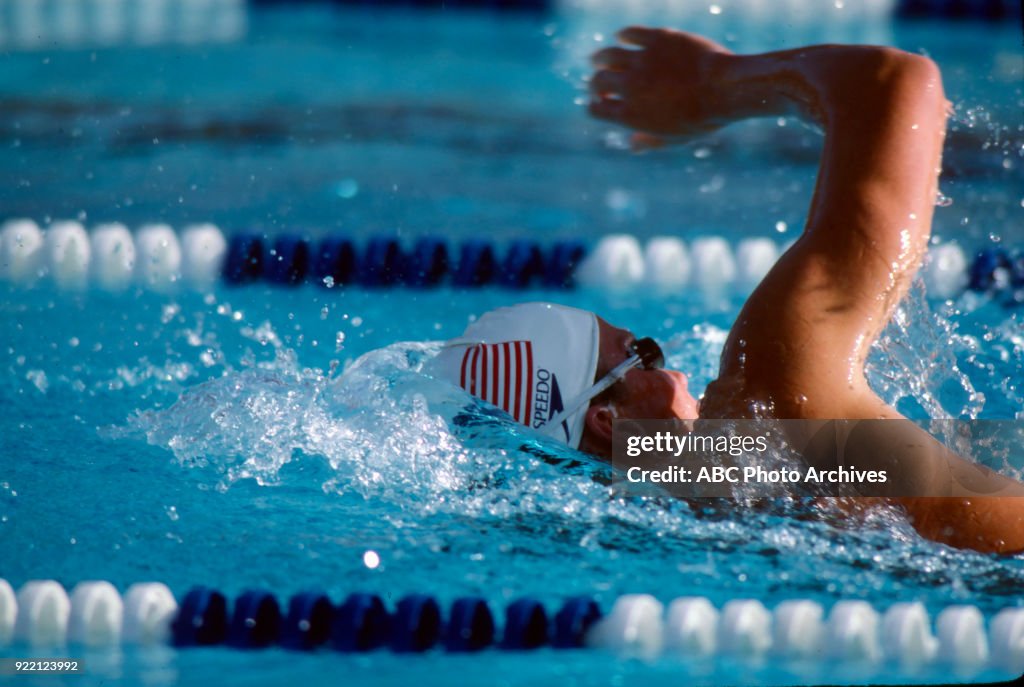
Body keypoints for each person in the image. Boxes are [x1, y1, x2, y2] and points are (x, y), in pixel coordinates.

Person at [432, 28, 1024, 554]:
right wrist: (714, 85)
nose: (682, 375)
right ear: (608, 422)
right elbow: (893, 82)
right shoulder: (766, 399)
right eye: (642, 354)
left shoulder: (673, 526)